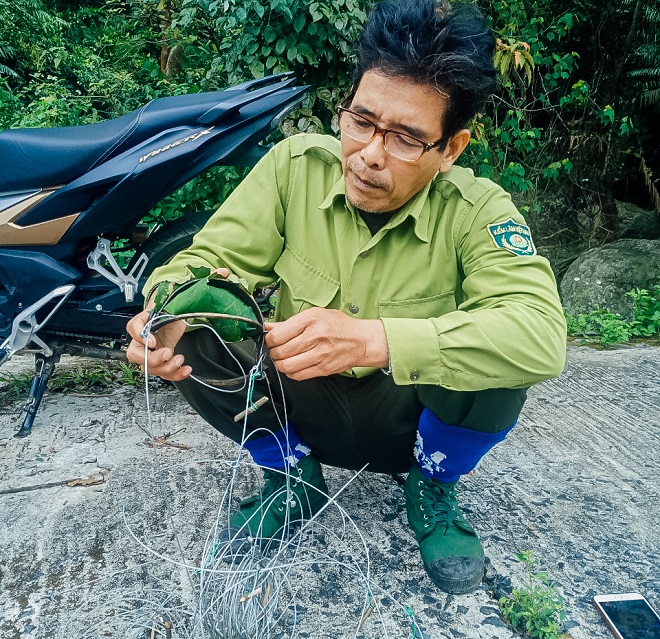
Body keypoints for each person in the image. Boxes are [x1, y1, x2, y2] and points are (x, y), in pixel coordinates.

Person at [126, 0, 566, 595]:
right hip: (297, 396)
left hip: (405, 426)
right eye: (361, 121)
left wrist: (377, 340)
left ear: (451, 149)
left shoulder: (478, 210)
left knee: (501, 359)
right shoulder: (293, 169)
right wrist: (161, 315)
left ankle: (433, 487)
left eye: (408, 138)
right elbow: (201, 262)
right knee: (198, 309)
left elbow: (540, 334)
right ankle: (290, 478)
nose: (369, 153)